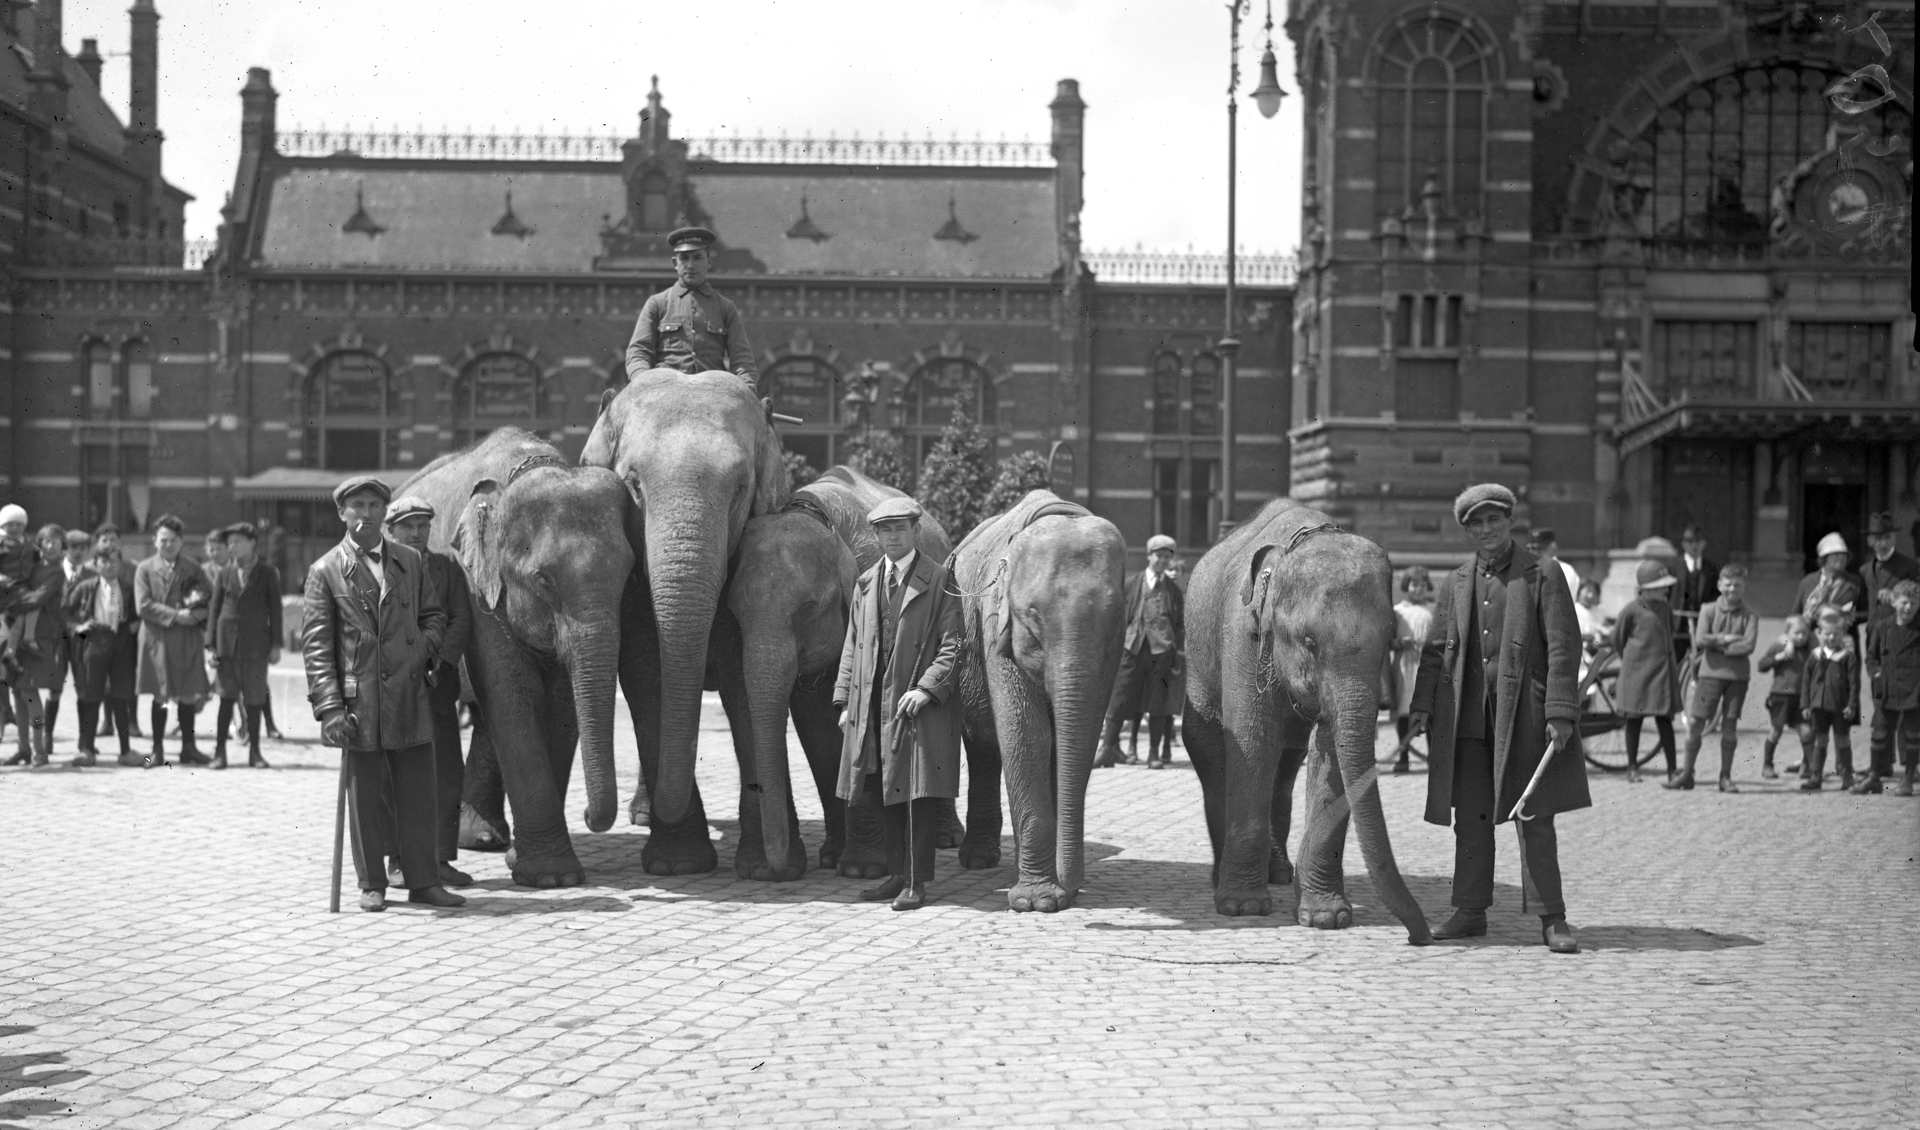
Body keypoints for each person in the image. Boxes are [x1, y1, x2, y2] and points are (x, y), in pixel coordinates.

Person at [1409, 483, 1587, 955]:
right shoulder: (1456, 581)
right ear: (1467, 530)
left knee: (1534, 816)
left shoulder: (1542, 573)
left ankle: (1553, 918)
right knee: (1470, 820)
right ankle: (1470, 911)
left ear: (1510, 521)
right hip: (1467, 721)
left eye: (1494, 520)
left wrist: (1561, 710)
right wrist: (1422, 705)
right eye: (1476, 523)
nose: (1486, 530)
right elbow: (1434, 651)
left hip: (1526, 718)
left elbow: (1565, 646)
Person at [302, 476, 461, 912]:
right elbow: (316, 648)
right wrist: (330, 708)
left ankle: (424, 881)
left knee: (418, 795)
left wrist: (420, 650)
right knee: (366, 797)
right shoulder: (326, 571)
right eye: (357, 505)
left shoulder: (410, 560)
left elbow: (434, 616)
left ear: (384, 513)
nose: (366, 513)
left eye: (375, 505)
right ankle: (372, 882)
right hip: (360, 703)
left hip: (409, 695)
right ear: (342, 513)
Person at [832, 496, 965, 912]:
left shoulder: (940, 579)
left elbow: (954, 644)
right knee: (879, 787)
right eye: (885, 530)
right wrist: (843, 701)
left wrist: (926, 689)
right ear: (875, 535)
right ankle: (895, 874)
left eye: (901, 529)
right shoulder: (866, 582)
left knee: (918, 794)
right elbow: (852, 645)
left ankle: (916, 881)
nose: (893, 536)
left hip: (916, 705)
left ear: (914, 532)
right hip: (871, 702)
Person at [383, 495, 475, 887]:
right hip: (395, 687)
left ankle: (439, 858)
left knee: (446, 771)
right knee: (397, 772)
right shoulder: (380, 569)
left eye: (423, 526)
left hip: (438, 684)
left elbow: (460, 618)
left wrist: (445, 660)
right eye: (408, 526)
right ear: (391, 530)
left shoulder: (446, 567)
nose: (418, 533)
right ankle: (399, 860)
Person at [623, 226, 759, 389]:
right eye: (684, 258)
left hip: (713, 392)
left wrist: (747, 390)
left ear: (709, 262)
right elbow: (638, 352)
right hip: (665, 391)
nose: (691, 265)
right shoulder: (657, 303)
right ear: (675, 263)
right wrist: (644, 383)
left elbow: (742, 359)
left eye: (697, 257)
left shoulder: (725, 308)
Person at [1096, 534, 1184, 769]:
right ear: (1149, 556)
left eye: (1167, 557)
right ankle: (1108, 748)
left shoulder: (1174, 591)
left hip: (1161, 653)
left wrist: (1172, 646)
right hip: (1131, 648)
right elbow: (1117, 617)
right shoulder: (1131, 585)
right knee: (1119, 696)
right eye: (1159, 556)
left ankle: (1154, 753)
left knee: (1157, 702)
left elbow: (1179, 625)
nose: (1163, 561)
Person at [1670, 563, 1758, 792]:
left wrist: (1718, 642)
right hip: (1709, 675)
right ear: (1719, 585)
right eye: (1728, 584)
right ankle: (1687, 774)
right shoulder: (1708, 610)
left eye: (1737, 585)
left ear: (1744, 587)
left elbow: (1748, 645)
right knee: (1696, 721)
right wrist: (1728, 638)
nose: (1732, 589)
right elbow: (1700, 640)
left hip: (1737, 678)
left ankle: (1725, 777)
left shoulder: (1750, 615)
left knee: (1729, 725)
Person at [134, 514, 212, 767]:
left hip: (187, 638)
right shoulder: (144, 569)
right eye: (163, 540)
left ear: (181, 541)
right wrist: (177, 615)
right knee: (161, 694)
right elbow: (143, 605)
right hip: (158, 638)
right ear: (154, 541)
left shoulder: (193, 568)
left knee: (188, 693)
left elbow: (208, 600)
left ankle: (188, 748)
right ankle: (157, 750)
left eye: (173, 540)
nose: (168, 545)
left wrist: (197, 615)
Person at [206, 522, 282, 770]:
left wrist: (276, 645)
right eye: (230, 543)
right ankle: (220, 753)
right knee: (226, 699)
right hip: (227, 647)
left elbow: (276, 610)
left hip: (256, 647)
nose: (232, 546)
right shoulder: (224, 574)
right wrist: (210, 646)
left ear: (252, 543)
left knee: (254, 700)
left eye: (238, 541)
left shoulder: (268, 573)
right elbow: (214, 611)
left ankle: (255, 753)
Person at [62, 546, 140, 767]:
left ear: (121, 564)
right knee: (91, 696)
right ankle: (88, 749)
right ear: (95, 565)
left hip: (121, 642)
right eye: (103, 561)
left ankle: (125, 750)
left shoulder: (128, 588)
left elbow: (136, 614)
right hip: (94, 643)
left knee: (121, 696)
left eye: (113, 561)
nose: (109, 565)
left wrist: (133, 625)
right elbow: (64, 611)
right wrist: (79, 626)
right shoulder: (85, 587)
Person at [1858, 513, 1920, 787]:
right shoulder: (1865, 570)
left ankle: (1910, 766)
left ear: (1894, 538)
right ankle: (1882, 764)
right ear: (1870, 541)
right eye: (1877, 538)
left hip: (1906, 639)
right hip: (1877, 641)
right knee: (1881, 700)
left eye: (1886, 537)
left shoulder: (1909, 565)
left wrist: (1897, 595)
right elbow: (1863, 606)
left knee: (1909, 706)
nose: (1882, 543)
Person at [1611, 559, 1682, 785]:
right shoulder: (1631, 610)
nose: (1665, 590)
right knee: (1634, 720)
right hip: (1636, 674)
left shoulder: (1666, 609)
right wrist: (1632, 660)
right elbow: (1617, 639)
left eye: (1665, 586)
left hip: (1661, 674)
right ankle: (1632, 767)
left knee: (1665, 721)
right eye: (1660, 586)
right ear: (1645, 588)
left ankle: (1673, 769)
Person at [1, 524, 65, 765]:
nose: (50, 546)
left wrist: (12, 604)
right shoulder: (33, 567)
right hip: (18, 637)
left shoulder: (57, 573)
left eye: (56, 542)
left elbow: (40, 597)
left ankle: (39, 750)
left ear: (62, 548)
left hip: (39, 638)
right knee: (17, 692)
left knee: (29, 692)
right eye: (46, 541)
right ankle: (23, 748)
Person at [1800, 607, 1860, 792]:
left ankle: (1847, 776)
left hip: (1840, 706)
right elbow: (1806, 682)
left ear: (1843, 634)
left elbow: (1854, 684)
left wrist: (1851, 705)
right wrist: (1805, 704)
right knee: (1820, 741)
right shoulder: (1815, 656)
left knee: (1842, 741)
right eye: (1827, 634)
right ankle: (1816, 776)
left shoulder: (1847, 657)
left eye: (1836, 634)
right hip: (1818, 706)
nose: (1831, 638)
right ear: (1819, 633)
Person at [1755, 615, 1813, 782]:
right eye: (1796, 633)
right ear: (1787, 633)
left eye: (1804, 633)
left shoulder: (1808, 650)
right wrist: (1777, 658)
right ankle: (1767, 764)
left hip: (1801, 698)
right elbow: (1761, 666)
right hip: (1780, 696)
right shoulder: (1778, 647)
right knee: (1776, 730)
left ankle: (1808, 766)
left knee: (1806, 731)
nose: (1801, 637)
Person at [1388, 566, 1434, 774]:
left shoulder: (1430, 613)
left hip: (1424, 665)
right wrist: (1400, 641)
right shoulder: (1398, 612)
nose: (1418, 590)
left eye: (1423, 585)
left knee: (1429, 709)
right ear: (1407, 586)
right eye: (1415, 585)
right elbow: (1389, 641)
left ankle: (1434, 756)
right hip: (1405, 666)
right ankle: (1403, 756)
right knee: (1405, 711)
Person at [1794, 533, 1866, 625]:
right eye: (1836, 554)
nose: (1841, 557)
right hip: (1813, 637)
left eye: (1844, 554)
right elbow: (1796, 613)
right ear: (1824, 558)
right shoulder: (1808, 581)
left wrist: (1842, 616)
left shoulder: (1855, 582)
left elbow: (1867, 613)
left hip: (1842, 637)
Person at [1673, 525, 1720, 665]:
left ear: (1704, 544)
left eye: (1698, 542)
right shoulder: (1673, 566)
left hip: (1701, 624)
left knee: (1701, 663)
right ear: (1683, 544)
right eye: (1689, 541)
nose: (1694, 546)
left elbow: (1716, 595)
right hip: (1678, 625)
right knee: (1675, 664)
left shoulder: (1710, 568)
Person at [1527, 528, 1583, 603]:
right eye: (1532, 548)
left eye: (1540, 548)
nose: (1535, 552)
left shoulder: (1565, 570)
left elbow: (1562, 601)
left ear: (1553, 547)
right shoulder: (1527, 569)